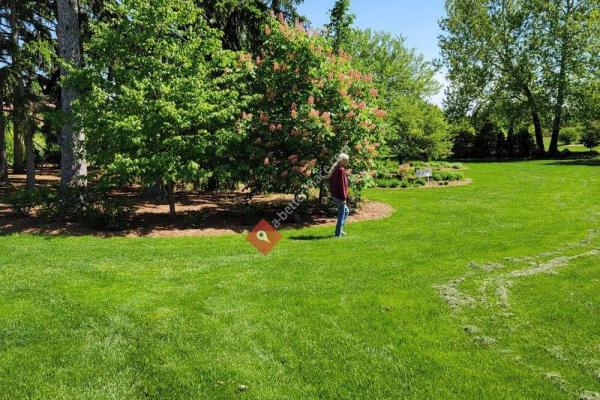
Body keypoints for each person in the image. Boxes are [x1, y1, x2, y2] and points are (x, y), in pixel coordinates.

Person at [328, 153, 350, 238]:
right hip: (340, 196)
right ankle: (338, 234)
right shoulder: (341, 170)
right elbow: (342, 185)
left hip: (335, 195)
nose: (347, 162)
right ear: (341, 160)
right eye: (346, 161)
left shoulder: (335, 168)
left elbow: (331, 182)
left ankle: (340, 230)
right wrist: (344, 197)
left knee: (346, 211)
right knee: (341, 215)